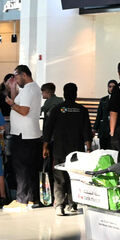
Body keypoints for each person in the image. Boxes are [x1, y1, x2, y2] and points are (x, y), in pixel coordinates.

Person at [43, 83, 92, 215]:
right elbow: (87, 130)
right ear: (76, 94)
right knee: (74, 176)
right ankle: (73, 204)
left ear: (64, 94)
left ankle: (59, 205)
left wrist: (45, 147)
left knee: (59, 177)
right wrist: (88, 148)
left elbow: (48, 129)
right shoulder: (82, 110)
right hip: (76, 150)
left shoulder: (57, 109)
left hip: (59, 148)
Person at [5, 64, 43, 210]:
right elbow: (19, 103)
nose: (15, 79)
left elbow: (24, 110)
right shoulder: (33, 88)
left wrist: (10, 104)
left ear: (24, 75)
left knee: (21, 169)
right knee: (30, 168)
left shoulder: (28, 90)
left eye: (16, 76)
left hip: (23, 135)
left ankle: (21, 200)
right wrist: (13, 89)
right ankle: (32, 199)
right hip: (30, 134)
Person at [96, 79, 118, 150]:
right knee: (103, 150)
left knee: (113, 150)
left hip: (115, 130)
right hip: (103, 130)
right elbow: (99, 115)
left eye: (113, 87)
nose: (111, 88)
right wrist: (94, 128)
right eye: (110, 86)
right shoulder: (103, 100)